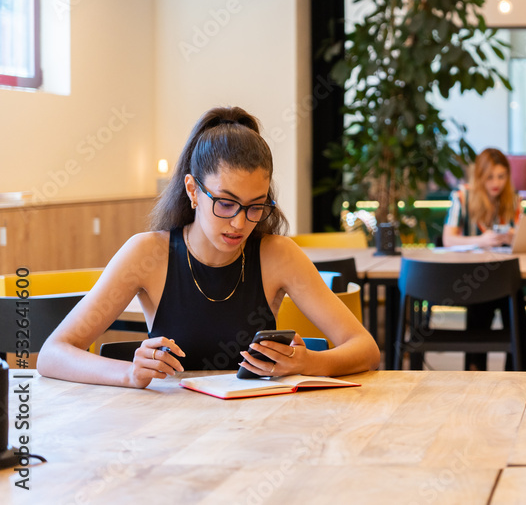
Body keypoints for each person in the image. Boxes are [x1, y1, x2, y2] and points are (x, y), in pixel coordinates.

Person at [38, 107, 380, 388]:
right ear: (193, 190)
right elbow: (53, 353)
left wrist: (309, 362)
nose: (240, 223)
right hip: (168, 431)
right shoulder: (147, 254)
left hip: (256, 427)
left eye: (255, 206)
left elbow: (365, 348)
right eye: (226, 203)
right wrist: (128, 373)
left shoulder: (278, 255)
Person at [442, 148, 526, 370]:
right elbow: (448, 239)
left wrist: (512, 237)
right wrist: (481, 240)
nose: (496, 183)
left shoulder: (515, 200)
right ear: (479, 176)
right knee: (487, 296)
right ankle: (477, 369)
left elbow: (525, 239)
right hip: (474, 278)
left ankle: (517, 371)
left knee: (513, 294)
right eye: (490, 177)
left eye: (501, 176)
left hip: (505, 276)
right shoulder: (462, 196)